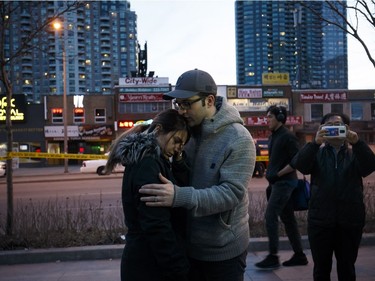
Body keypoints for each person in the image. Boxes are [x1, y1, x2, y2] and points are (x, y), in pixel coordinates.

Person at [139, 69, 256, 281]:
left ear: (209, 100)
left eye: (187, 104)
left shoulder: (239, 139)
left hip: (223, 252)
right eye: (178, 105)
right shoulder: (187, 132)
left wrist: (178, 196)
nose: (181, 111)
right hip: (187, 247)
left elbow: (230, 194)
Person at [105, 109, 191, 281]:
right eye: (176, 141)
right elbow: (156, 224)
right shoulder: (148, 164)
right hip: (149, 265)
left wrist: (179, 161)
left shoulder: (155, 160)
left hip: (148, 260)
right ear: (158, 130)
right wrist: (178, 268)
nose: (177, 149)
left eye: (182, 146)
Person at [292, 112, 375, 281]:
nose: (335, 129)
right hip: (320, 222)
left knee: (347, 270)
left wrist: (358, 143)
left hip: (350, 221)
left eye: (339, 125)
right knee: (321, 270)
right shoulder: (317, 153)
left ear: (347, 129)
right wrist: (314, 143)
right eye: (330, 125)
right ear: (322, 129)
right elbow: (300, 165)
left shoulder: (355, 153)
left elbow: (369, 166)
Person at [255, 105, 308, 269]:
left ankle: (273, 256)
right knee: (288, 220)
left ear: (279, 118)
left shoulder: (288, 136)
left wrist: (278, 174)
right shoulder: (273, 137)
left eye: (270, 117)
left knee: (270, 215)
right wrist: (271, 173)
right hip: (276, 183)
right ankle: (299, 255)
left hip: (285, 183)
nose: (267, 120)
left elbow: (297, 161)